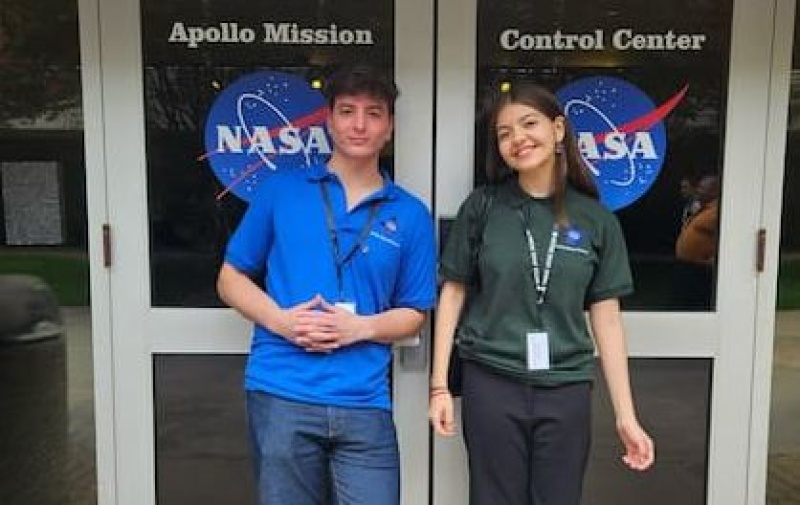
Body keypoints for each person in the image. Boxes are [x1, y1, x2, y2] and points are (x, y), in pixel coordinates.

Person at [217, 64, 436, 505]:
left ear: (390, 127)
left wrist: (360, 328)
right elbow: (230, 278)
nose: (359, 124)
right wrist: (281, 321)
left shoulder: (410, 213)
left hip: (365, 400)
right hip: (282, 392)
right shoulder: (282, 191)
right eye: (347, 111)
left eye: (374, 113)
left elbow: (414, 313)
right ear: (329, 121)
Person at [429, 82, 655, 505]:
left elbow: (607, 319)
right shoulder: (483, 207)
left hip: (566, 386)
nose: (517, 138)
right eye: (504, 133)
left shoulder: (596, 219)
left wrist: (626, 415)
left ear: (558, 129)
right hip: (492, 379)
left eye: (528, 124)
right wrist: (439, 386)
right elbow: (453, 293)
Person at [674, 174, 720, 309]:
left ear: (714, 191)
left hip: (699, 270)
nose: (698, 191)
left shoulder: (717, 211)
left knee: (695, 305)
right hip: (686, 267)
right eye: (699, 187)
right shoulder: (702, 208)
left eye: (703, 188)